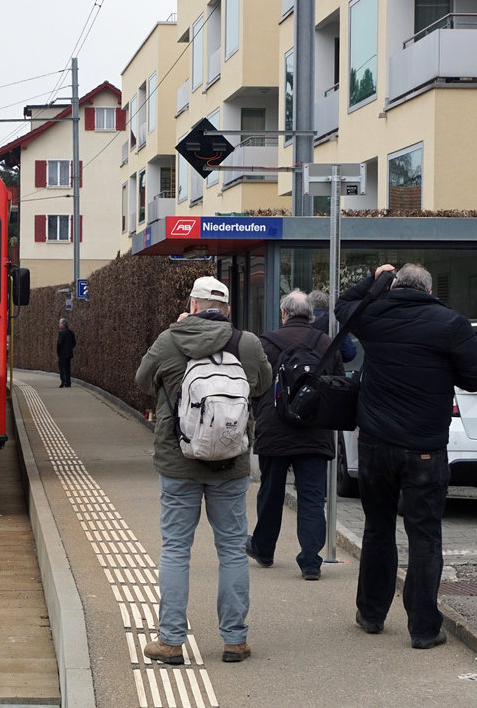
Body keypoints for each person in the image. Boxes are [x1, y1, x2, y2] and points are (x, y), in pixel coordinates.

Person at [336, 263, 477, 649]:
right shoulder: (449, 323)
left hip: (375, 445)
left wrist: (374, 280)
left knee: (377, 528)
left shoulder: (373, 315)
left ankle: (371, 615)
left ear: (394, 286)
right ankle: (424, 629)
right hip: (425, 448)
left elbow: (342, 304)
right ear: (427, 290)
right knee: (424, 537)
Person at [135, 275, 271, 665]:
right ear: (226, 310)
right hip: (230, 461)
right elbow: (262, 384)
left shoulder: (170, 339)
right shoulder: (246, 342)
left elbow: (143, 381)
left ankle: (171, 641)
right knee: (231, 549)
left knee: (177, 549)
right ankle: (234, 640)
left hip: (178, 460)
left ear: (193, 305)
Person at [247, 290, 342, 581]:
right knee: (312, 497)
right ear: (311, 315)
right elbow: (337, 384)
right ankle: (311, 561)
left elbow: (255, 385)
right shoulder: (326, 344)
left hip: (275, 432)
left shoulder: (266, 343)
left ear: (283, 313)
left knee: (271, 492)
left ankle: (264, 549)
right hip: (315, 432)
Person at [308, 289, 356, 363]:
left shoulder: (301, 321)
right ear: (328, 305)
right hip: (329, 370)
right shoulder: (334, 322)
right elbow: (349, 353)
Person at [56, 318, 76, 387]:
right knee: (68, 368)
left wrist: (58, 352)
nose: (59, 325)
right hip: (69, 353)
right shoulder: (71, 332)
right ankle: (68, 382)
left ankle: (63, 382)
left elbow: (59, 343)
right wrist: (70, 348)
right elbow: (74, 342)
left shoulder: (61, 332)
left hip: (62, 353)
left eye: (60, 323)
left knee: (62, 368)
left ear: (63, 324)